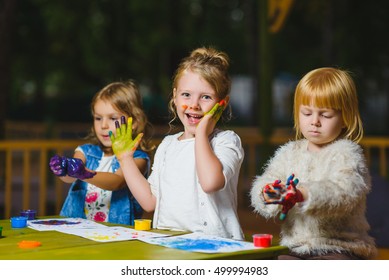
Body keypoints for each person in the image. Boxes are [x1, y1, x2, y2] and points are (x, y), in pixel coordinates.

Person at [109, 47, 245, 240]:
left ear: (222, 103)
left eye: (206, 97)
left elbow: (210, 182)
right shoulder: (168, 145)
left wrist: (201, 134)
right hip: (168, 243)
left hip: (216, 246)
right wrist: (125, 159)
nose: (194, 104)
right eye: (186, 95)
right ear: (174, 96)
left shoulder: (226, 141)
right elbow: (150, 202)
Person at [250, 67, 377, 259]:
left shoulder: (347, 154)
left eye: (325, 115)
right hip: (296, 247)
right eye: (307, 113)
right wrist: (268, 192)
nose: (315, 122)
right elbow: (269, 177)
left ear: (345, 118)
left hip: (341, 247)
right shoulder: (289, 152)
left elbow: (343, 193)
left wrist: (304, 193)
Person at [49, 80, 154, 225]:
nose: (103, 125)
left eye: (113, 118)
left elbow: (117, 182)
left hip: (117, 233)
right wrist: (63, 169)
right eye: (98, 118)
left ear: (133, 122)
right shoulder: (85, 151)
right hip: (76, 229)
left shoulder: (137, 158)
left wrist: (84, 173)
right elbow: (70, 178)